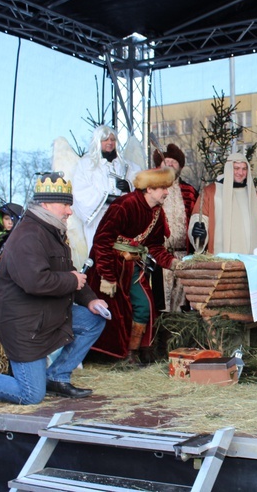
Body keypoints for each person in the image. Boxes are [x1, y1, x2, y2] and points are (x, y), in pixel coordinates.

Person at [0, 172, 108, 405]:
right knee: (30, 394)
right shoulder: (28, 235)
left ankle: (56, 378)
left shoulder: (51, 231)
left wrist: (90, 300)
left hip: (45, 315)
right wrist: (71, 281)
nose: (70, 211)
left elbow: (70, 271)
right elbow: (35, 282)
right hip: (23, 324)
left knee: (93, 319)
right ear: (46, 204)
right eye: (65, 205)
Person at [88, 168, 179, 364]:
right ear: (149, 189)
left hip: (132, 266)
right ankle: (107, 357)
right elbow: (102, 240)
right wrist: (107, 276)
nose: (166, 192)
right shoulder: (124, 205)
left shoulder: (156, 212)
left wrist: (173, 263)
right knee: (110, 312)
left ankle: (132, 353)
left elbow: (154, 246)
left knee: (144, 306)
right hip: (110, 266)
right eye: (163, 188)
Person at [72, 125, 142, 254]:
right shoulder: (86, 164)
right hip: (99, 217)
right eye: (105, 140)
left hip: (122, 218)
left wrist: (129, 186)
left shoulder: (125, 165)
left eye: (112, 139)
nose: (110, 142)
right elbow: (80, 192)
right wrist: (106, 198)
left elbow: (141, 183)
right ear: (98, 142)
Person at [188, 152, 257, 255]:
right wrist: (197, 232)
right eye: (236, 168)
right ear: (228, 169)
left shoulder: (254, 197)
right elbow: (199, 219)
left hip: (251, 260)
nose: (240, 172)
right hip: (221, 259)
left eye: (244, 169)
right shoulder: (211, 192)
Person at [150, 144, 198, 312]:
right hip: (156, 258)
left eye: (173, 162)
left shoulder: (190, 191)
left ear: (180, 166)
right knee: (158, 305)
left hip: (183, 256)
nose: (169, 164)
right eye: (165, 161)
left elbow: (197, 220)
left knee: (182, 307)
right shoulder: (149, 190)